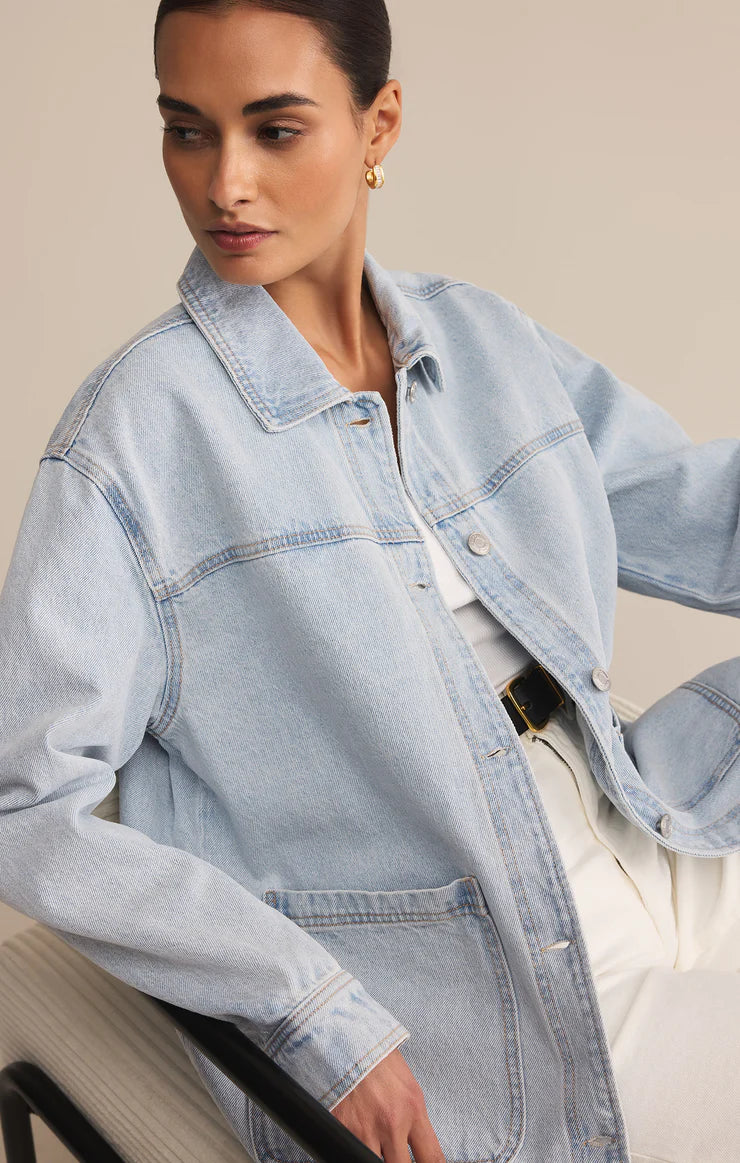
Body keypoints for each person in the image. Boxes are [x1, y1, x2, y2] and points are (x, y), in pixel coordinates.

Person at [0, 2, 738, 1161]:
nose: (224, 183)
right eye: (187, 130)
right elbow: (20, 800)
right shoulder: (132, 439)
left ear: (377, 124)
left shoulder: (481, 341)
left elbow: (699, 511)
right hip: (473, 960)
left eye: (274, 129)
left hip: (647, 819)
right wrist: (313, 1013)